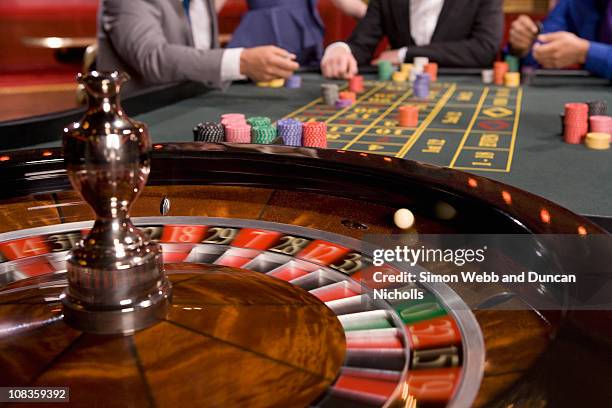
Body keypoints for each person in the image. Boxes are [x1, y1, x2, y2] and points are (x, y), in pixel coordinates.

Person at [97, 0, 299, 92]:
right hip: (141, 123)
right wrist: (242, 62)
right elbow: (153, 59)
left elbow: (199, 55)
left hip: (192, 103)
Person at [320, 0, 503, 79]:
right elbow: (361, 45)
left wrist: (404, 54)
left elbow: (484, 48)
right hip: (401, 96)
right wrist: (340, 49)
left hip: (465, 90)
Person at [224, 0, 367, 67]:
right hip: (260, 36)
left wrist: (381, 18)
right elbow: (208, 10)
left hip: (304, 40)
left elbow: (348, 4)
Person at [508, 0, 612, 79]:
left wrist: (586, 53)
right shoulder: (573, 3)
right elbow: (542, 45)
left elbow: (583, 51)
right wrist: (525, 42)